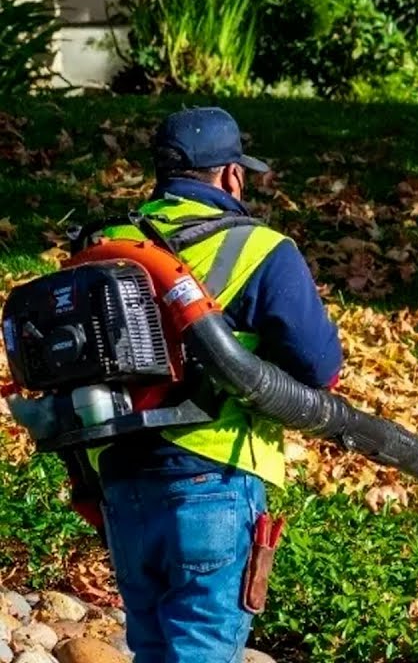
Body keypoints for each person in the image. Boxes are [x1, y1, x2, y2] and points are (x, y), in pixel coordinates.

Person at [92, 107, 343, 661]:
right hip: (213, 480)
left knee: (151, 648)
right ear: (233, 176)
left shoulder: (107, 243)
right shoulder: (261, 250)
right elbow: (319, 368)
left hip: (122, 484)